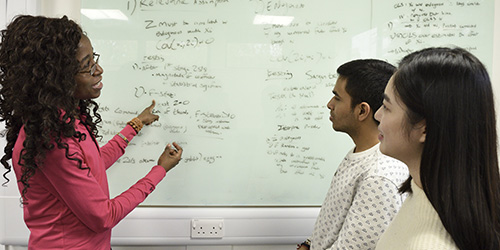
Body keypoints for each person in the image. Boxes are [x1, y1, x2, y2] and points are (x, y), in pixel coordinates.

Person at [0, 15, 183, 249]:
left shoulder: (66, 120)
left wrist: (135, 125)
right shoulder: (52, 139)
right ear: (57, 77)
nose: (99, 69)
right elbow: (102, 217)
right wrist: (159, 171)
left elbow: (92, 163)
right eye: (87, 65)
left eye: (94, 59)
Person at [374, 47, 500, 250]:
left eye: (387, 107)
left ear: (425, 129)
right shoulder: (423, 193)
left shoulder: (430, 244)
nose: (378, 115)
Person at [297, 59, 409, 250]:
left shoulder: (379, 175)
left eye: (337, 98)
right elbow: (334, 225)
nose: (329, 104)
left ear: (362, 110)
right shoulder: (361, 154)